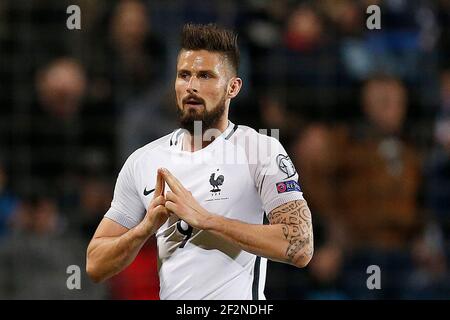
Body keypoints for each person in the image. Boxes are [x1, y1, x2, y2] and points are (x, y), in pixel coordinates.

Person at [86, 23, 313, 300]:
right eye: (184, 75)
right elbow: (95, 265)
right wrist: (144, 228)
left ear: (233, 87)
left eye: (205, 76)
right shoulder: (143, 161)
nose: (191, 86)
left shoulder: (259, 149)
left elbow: (301, 246)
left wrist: (207, 220)